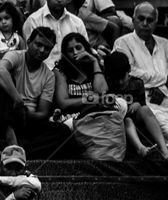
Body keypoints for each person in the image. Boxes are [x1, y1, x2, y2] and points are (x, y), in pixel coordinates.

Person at [0, 27, 80, 157]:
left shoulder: (49, 75)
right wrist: (17, 99)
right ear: (28, 42)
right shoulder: (15, 56)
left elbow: (43, 113)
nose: (42, 50)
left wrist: (26, 112)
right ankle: (11, 139)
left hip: (26, 119)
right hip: (5, 115)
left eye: (47, 48)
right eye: (38, 45)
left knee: (63, 132)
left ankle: (19, 152)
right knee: (1, 83)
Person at [112, 3, 168, 139]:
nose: (145, 23)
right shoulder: (122, 43)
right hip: (141, 100)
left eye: (150, 20)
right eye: (141, 18)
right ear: (133, 20)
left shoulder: (165, 44)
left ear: (156, 22)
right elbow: (130, 73)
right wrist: (163, 78)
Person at [104, 50, 168, 160]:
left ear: (128, 70)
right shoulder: (108, 84)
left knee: (145, 109)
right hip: (119, 120)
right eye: (116, 79)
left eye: (122, 78)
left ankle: (164, 149)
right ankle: (141, 148)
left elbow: (142, 103)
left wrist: (138, 104)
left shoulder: (137, 83)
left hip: (135, 118)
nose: (119, 82)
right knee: (127, 120)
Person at [53, 32, 106, 124]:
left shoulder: (94, 66)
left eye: (78, 48)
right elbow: (63, 103)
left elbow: (101, 92)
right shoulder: (59, 71)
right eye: (70, 50)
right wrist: (90, 99)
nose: (75, 52)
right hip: (72, 117)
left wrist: (94, 62)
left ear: (85, 47)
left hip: (95, 112)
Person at [23, 0, 88, 69]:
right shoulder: (33, 20)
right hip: (42, 74)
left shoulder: (77, 22)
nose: (59, 0)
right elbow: (32, 56)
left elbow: (85, 51)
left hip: (72, 73)